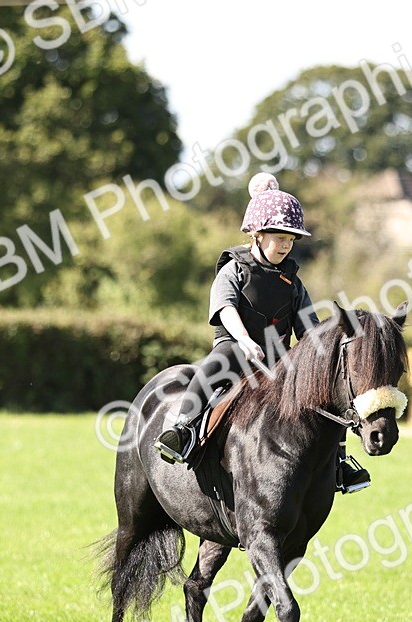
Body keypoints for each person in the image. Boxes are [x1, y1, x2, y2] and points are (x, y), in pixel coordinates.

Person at [152, 173, 371, 494]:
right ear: (257, 235)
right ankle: (182, 430)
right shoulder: (234, 270)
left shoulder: (293, 283)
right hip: (235, 348)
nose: (286, 245)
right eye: (279, 237)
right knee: (218, 361)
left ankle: (338, 462)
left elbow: (308, 329)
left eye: (291, 239)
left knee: (324, 389)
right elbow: (225, 309)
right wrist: (244, 340)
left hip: (279, 360)